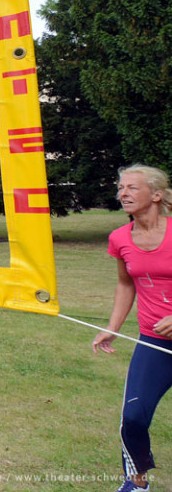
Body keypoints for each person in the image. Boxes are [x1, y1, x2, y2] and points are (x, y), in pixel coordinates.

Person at [92, 164, 172, 492]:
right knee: (134, 417)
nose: (123, 193)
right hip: (155, 343)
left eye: (132, 187)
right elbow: (126, 284)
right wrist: (112, 327)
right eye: (121, 187)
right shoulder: (119, 238)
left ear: (156, 195)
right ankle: (137, 483)